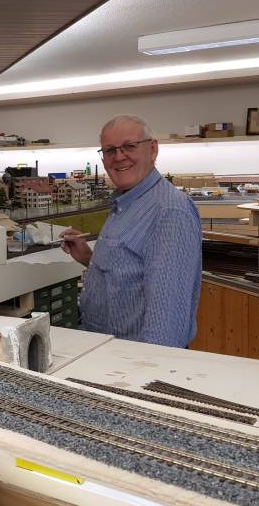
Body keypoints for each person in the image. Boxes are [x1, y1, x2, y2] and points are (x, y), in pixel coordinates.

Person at [61, 115, 201, 348]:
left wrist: (144, 368)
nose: (119, 157)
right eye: (110, 150)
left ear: (153, 149)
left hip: (132, 360)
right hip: (105, 351)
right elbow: (129, 273)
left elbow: (165, 327)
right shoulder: (126, 202)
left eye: (129, 146)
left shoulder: (169, 212)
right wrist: (88, 258)